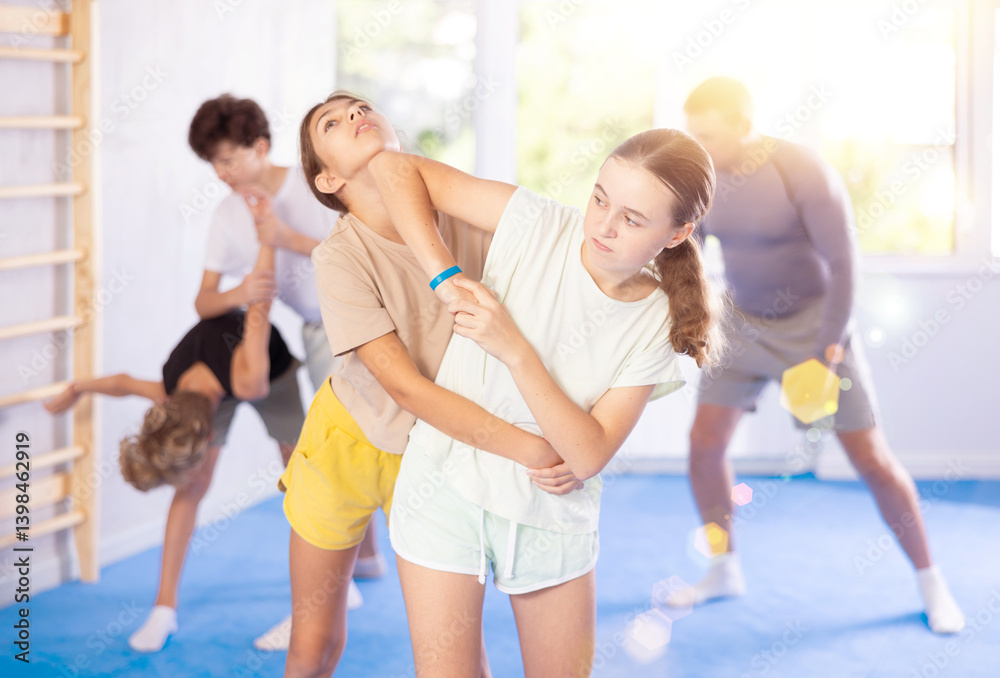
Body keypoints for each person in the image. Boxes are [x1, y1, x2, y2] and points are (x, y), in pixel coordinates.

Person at [366, 127, 722, 676]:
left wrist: (513, 348)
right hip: (443, 484)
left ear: (678, 233)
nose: (603, 225)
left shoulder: (656, 320)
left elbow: (585, 456)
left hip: (549, 512)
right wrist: (445, 277)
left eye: (632, 218)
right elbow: (393, 170)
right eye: (600, 198)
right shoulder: (535, 223)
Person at [284, 92, 577, 677]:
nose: (355, 117)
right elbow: (406, 389)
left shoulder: (466, 215)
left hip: (433, 452)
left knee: (456, 654)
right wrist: (532, 449)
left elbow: (551, 288)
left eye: (360, 107)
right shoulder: (337, 258)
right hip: (347, 439)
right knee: (314, 643)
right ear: (329, 178)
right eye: (333, 123)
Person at [672, 76, 964, 634]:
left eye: (707, 134)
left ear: (742, 123)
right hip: (742, 324)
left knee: (871, 460)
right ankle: (722, 567)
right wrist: (691, 318)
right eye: (693, 135)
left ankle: (931, 581)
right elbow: (691, 245)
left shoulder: (799, 169)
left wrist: (827, 352)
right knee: (703, 446)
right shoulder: (706, 177)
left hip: (814, 325)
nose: (699, 146)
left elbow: (845, 263)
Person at [186, 94, 378, 650]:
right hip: (321, 333)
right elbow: (202, 301)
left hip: (368, 316)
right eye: (214, 165)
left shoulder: (313, 182)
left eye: (230, 160)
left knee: (361, 443)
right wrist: (240, 292)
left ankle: (352, 573)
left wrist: (281, 239)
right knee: (342, 445)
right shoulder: (227, 215)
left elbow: (367, 250)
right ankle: (361, 562)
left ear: (261, 147)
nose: (223, 175)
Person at [44, 246, 306, 652]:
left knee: (305, 479)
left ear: (204, 435)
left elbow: (260, 303)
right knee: (192, 488)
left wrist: (265, 238)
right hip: (214, 384)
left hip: (269, 367)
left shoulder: (250, 378)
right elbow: (123, 382)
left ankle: (342, 578)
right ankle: (164, 608)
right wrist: (79, 388)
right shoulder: (170, 386)